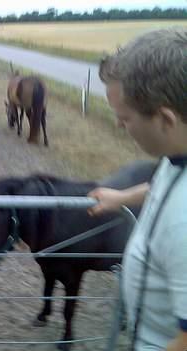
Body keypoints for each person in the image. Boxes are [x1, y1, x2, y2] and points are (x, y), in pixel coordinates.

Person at [87, 27, 187, 351]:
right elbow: (164, 186)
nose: (118, 125)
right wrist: (123, 198)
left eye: (125, 118)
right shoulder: (176, 160)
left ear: (165, 120)